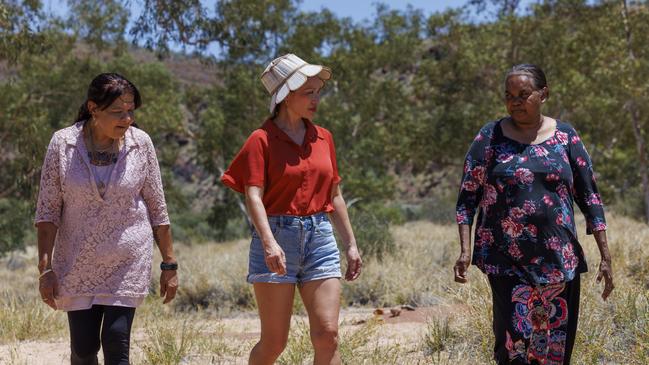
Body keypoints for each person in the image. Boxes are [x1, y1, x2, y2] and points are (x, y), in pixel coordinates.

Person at [454, 64, 614, 365]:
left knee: (554, 347)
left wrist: (605, 256)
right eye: (509, 95)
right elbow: (467, 198)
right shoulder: (490, 137)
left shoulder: (566, 136)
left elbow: (590, 197)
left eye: (523, 94)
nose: (515, 101)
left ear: (543, 94)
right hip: (505, 261)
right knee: (513, 347)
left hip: (558, 261)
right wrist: (465, 250)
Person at [221, 54, 362, 365]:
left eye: (317, 92)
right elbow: (253, 195)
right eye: (307, 92)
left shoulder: (324, 137)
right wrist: (269, 242)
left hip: (320, 238)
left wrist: (350, 244)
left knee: (328, 335)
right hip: (277, 238)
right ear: (285, 96)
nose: (316, 99)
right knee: (274, 344)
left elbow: (334, 194)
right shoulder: (261, 140)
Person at [35, 73, 178, 365]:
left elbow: (157, 207)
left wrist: (169, 264)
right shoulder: (63, 144)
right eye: (117, 112)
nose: (126, 119)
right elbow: (48, 211)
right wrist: (45, 269)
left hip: (127, 260)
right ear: (93, 108)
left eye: (130, 111)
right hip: (77, 261)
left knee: (116, 341)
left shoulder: (141, 144)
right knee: (84, 348)